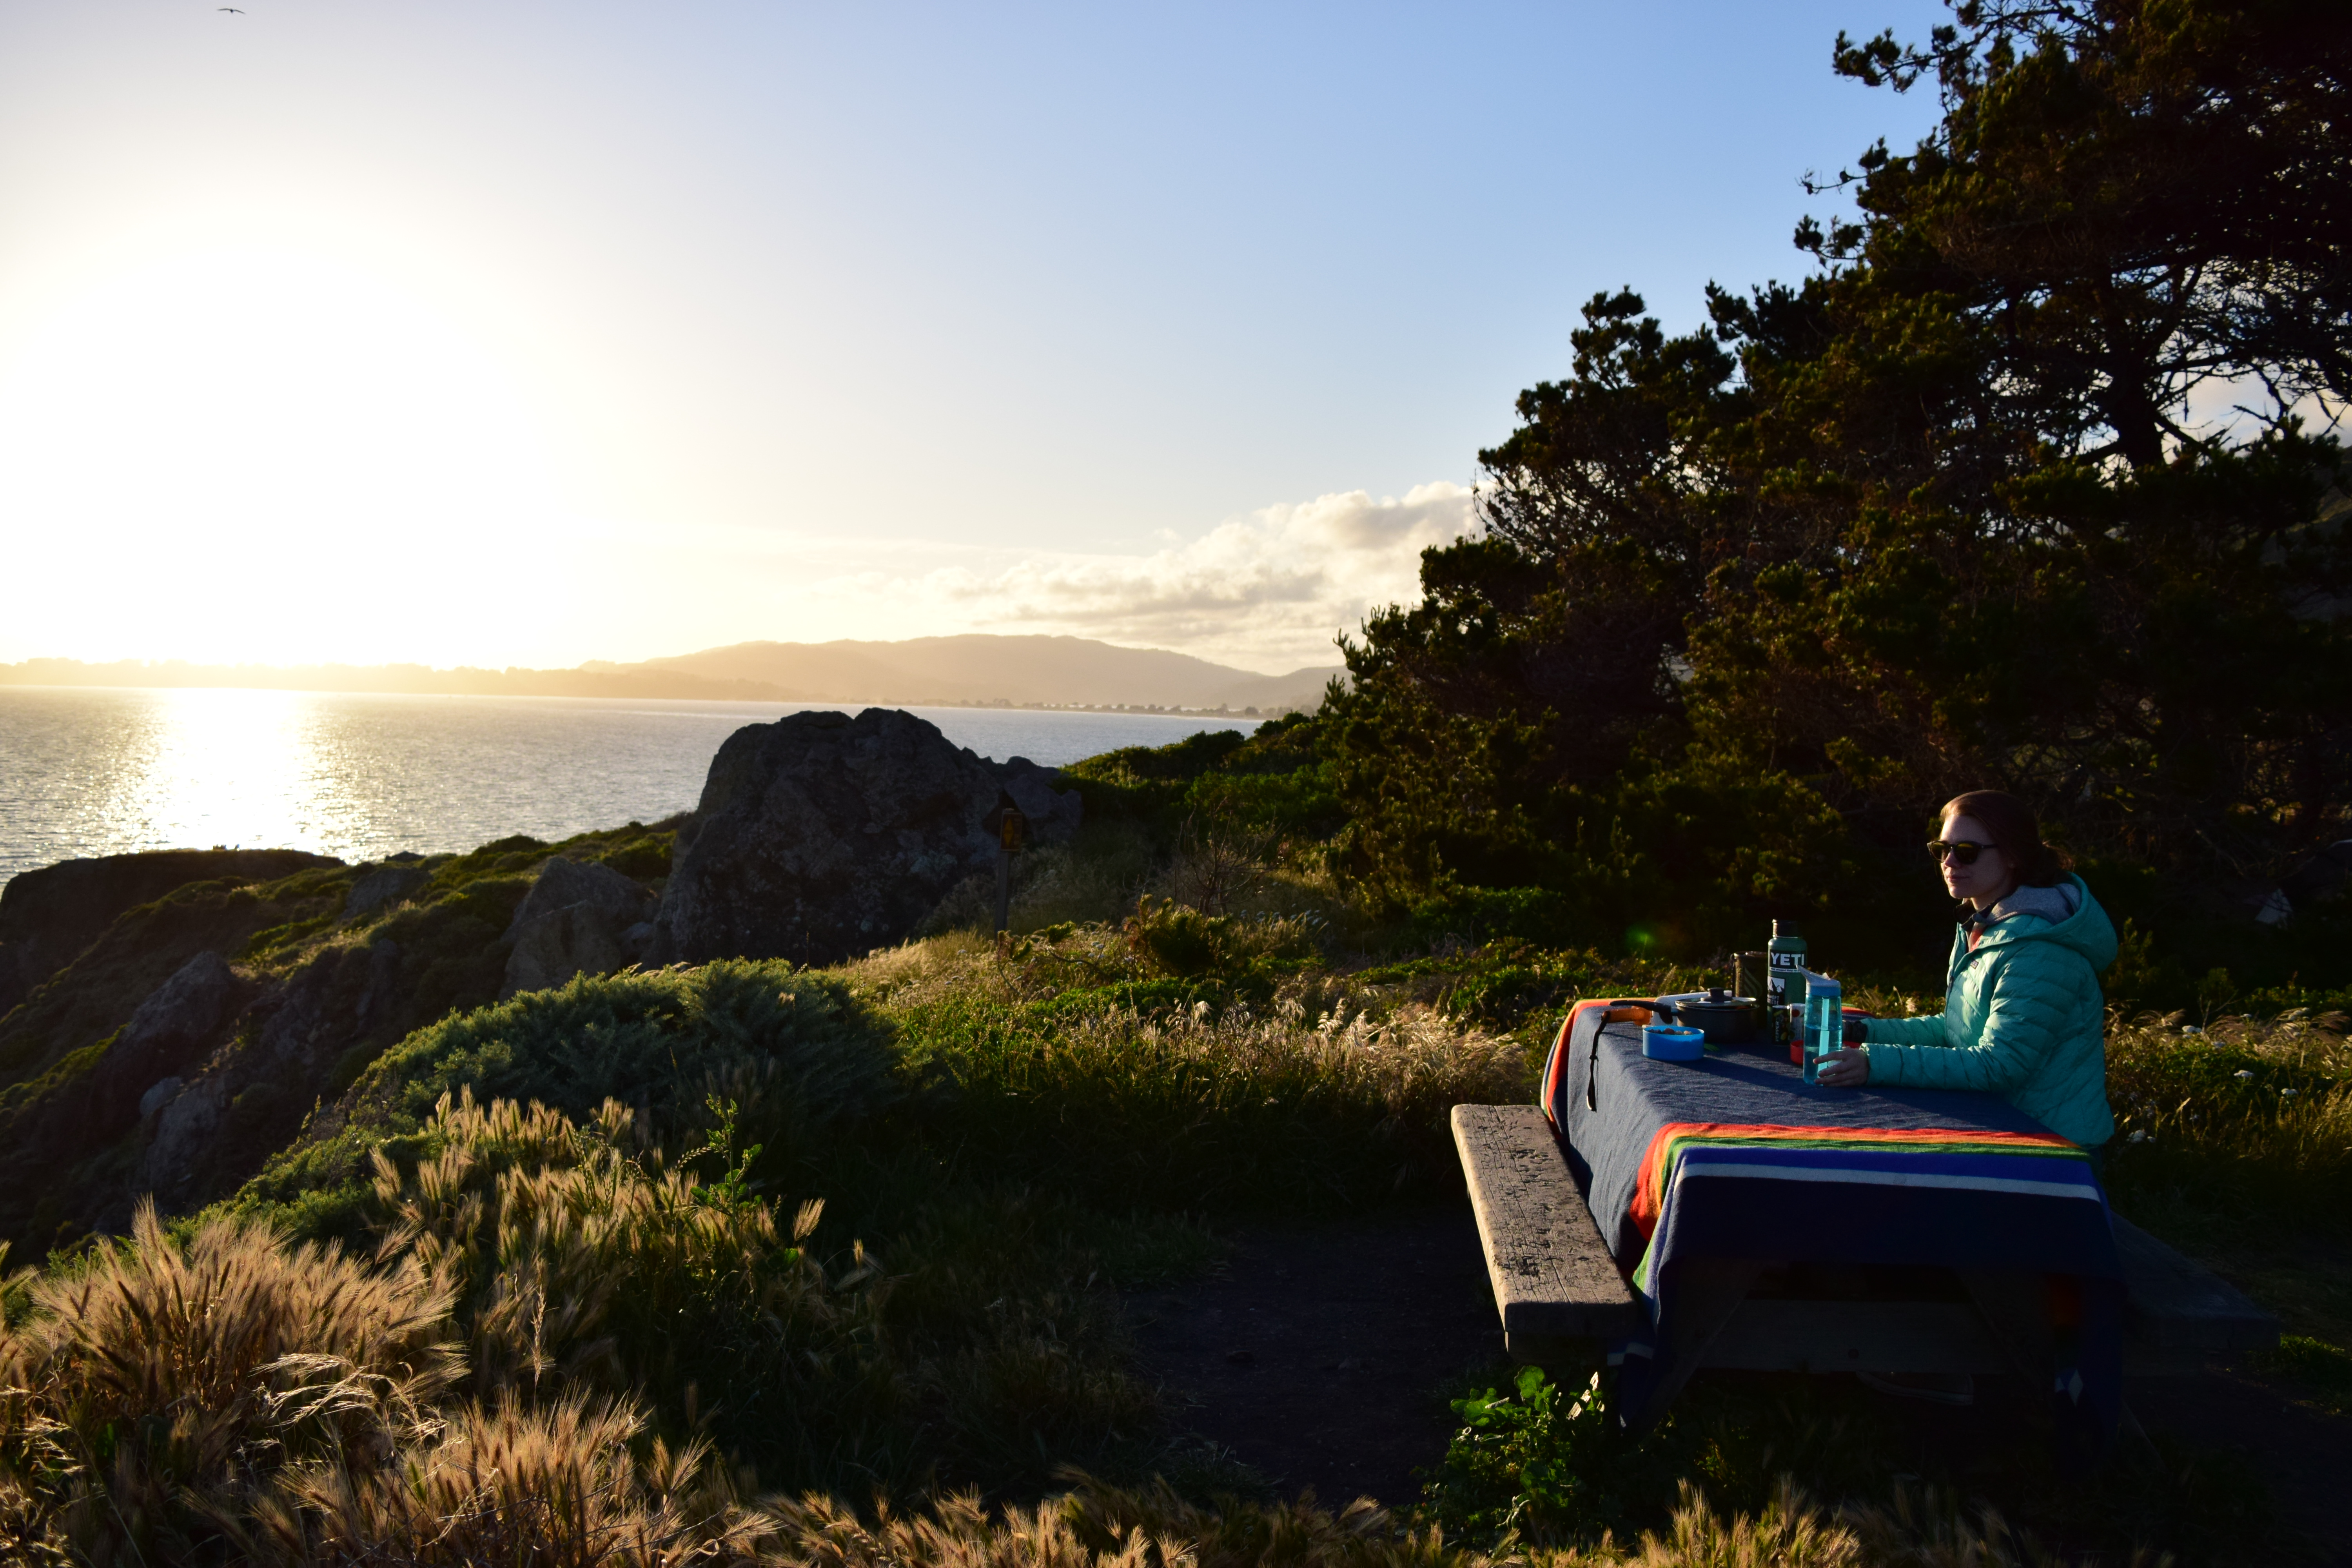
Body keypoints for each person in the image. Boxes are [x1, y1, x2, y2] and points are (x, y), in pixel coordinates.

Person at [1814, 790, 2118, 1158]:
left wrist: (1874, 1063)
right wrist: (1859, 1031)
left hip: (2054, 1149)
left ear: (2011, 856)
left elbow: (1999, 1065)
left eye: (1967, 851)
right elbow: (1954, 1030)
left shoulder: (2040, 947)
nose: (1950, 861)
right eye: (1943, 849)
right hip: (2006, 1128)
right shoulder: (1985, 925)